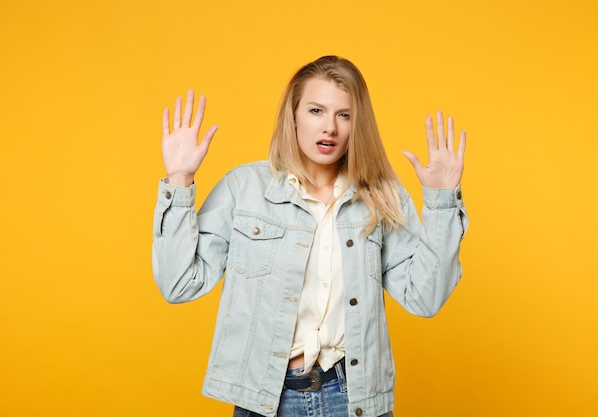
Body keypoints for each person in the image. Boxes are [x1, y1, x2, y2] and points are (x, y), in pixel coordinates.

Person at [152, 55, 468, 417]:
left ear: (357, 124)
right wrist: (179, 180)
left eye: (344, 115)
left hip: (354, 399)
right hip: (266, 400)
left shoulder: (381, 195)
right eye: (316, 111)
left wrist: (443, 203)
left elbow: (424, 298)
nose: (330, 127)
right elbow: (178, 284)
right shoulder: (245, 188)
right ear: (294, 115)